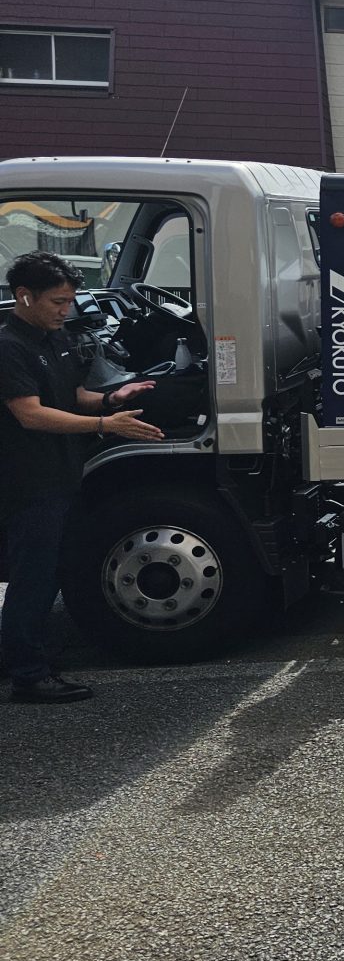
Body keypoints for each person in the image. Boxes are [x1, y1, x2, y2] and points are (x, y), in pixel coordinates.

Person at [1, 250, 163, 703]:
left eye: (70, 300)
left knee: (50, 571)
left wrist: (112, 399)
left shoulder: (55, 338)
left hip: (62, 474)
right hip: (28, 481)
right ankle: (28, 676)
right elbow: (30, 415)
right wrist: (106, 426)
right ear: (24, 296)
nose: (65, 309)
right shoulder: (9, 346)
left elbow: (73, 396)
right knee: (32, 577)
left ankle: (33, 656)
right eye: (56, 301)